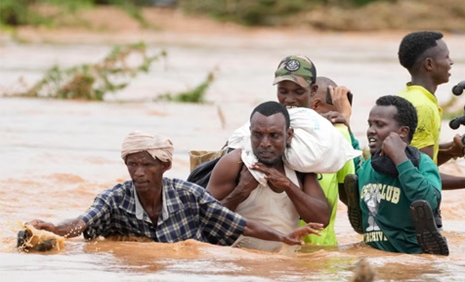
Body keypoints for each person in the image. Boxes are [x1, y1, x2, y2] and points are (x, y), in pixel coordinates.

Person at [27, 131, 322, 246]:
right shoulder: (114, 199)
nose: (138, 173)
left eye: (146, 165)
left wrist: (283, 236)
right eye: (132, 165)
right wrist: (52, 228)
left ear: (165, 166)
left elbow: (241, 225)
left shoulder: (189, 196)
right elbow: (82, 223)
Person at [223, 56, 356, 247]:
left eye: (298, 91)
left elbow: (349, 199)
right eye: (283, 91)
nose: (289, 99)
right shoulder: (250, 139)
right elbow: (210, 215)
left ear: (313, 91)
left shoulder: (333, 138)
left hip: (319, 250)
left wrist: (347, 122)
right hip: (275, 254)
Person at [207, 102, 331, 252]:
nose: (265, 144)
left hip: (284, 266)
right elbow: (206, 220)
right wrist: (240, 192)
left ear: (289, 135)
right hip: (239, 268)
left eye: (274, 136)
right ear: (250, 133)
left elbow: (321, 220)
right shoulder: (235, 163)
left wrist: (288, 185)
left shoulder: (300, 168)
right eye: (258, 135)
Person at [396, 31, 465, 193]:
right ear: (429, 64)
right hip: (411, 205)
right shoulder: (423, 106)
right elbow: (422, 176)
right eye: (446, 57)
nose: (451, 62)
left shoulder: (408, 95)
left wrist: (451, 151)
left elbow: (412, 160)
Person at [347, 95, 448, 255]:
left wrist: (400, 158)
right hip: (374, 256)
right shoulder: (367, 166)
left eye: (379, 125)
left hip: (412, 260)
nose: (371, 130)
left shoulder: (423, 163)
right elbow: (350, 155)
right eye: (370, 124)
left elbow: (429, 202)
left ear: (402, 131)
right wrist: (344, 125)